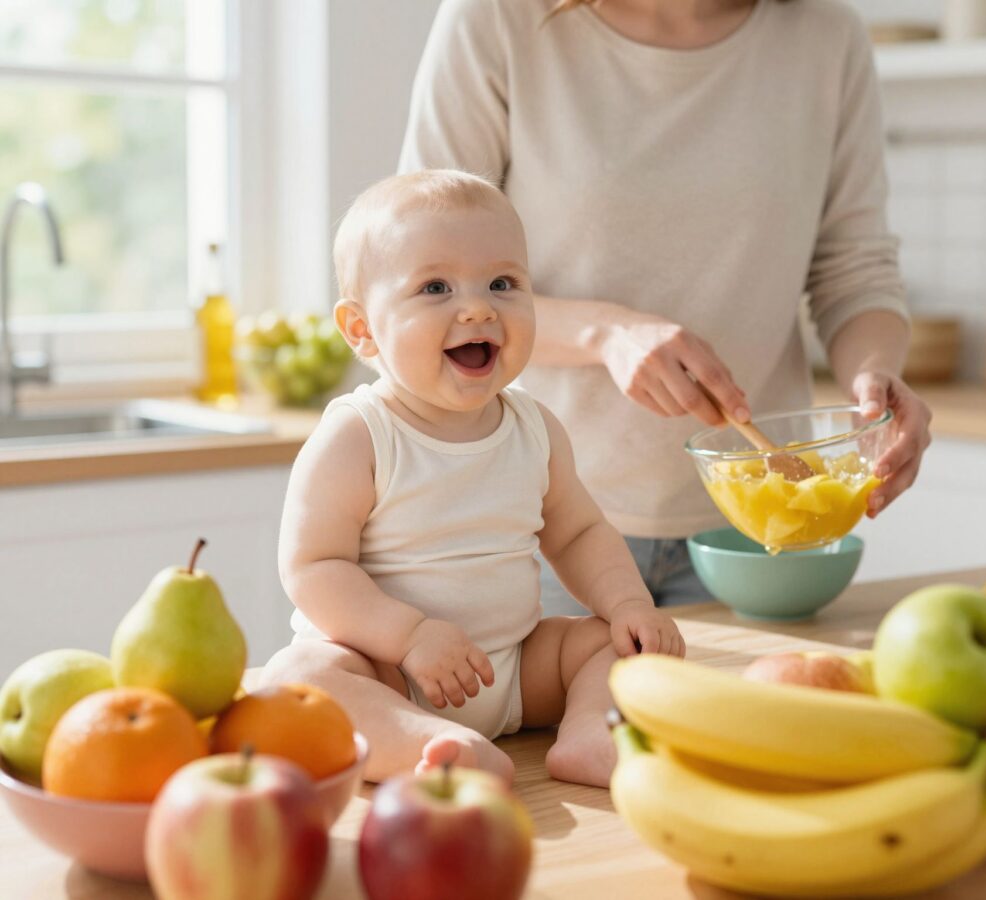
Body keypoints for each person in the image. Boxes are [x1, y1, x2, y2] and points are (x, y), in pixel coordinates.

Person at [398, 0, 932, 613]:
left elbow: (854, 267)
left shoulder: (825, 36)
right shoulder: (496, 19)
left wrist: (876, 378)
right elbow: (425, 279)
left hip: (757, 530)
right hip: (533, 524)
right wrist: (607, 334)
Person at [259, 169, 685, 789]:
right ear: (362, 330)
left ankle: (591, 732)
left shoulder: (534, 428)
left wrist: (627, 604)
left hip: (509, 672)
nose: (479, 306)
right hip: (385, 672)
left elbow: (579, 534)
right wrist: (408, 638)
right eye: (435, 287)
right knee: (295, 681)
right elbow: (313, 569)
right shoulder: (358, 436)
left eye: (503, 282)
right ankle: (426, 741)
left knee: (607, 647)